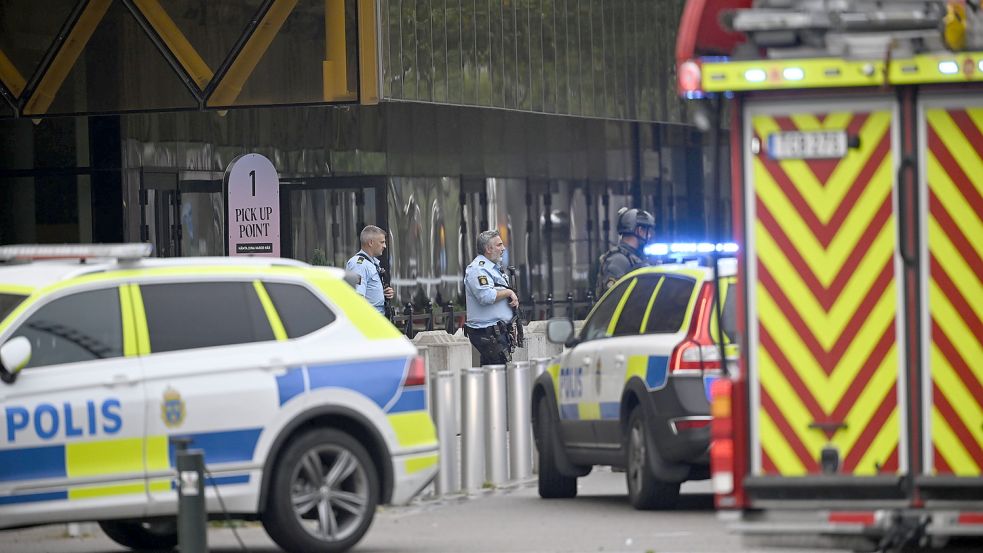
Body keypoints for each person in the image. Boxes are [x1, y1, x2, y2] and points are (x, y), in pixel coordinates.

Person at [464, 230, 519, 365]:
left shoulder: (492, 268)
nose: (503, 248)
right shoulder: (478, 270)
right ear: (488, 249)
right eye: (499, 245)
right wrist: (508, 293)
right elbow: (486, 296)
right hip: (488, 333)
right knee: (497, 376)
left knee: (493, 376)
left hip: (497, 332)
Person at [595, 207, 655, 297]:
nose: (649, 236)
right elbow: (614, 297)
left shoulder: (635, 258)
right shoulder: (618, 260)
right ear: (639, 231)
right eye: (647, 231)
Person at [346, 225, 394, 316]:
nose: (385, 246)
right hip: (370, 321)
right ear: (371, 243)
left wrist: (382, 294)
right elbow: (357, 297)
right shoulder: (359, 264)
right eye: (382, 242)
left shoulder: (371, 263)